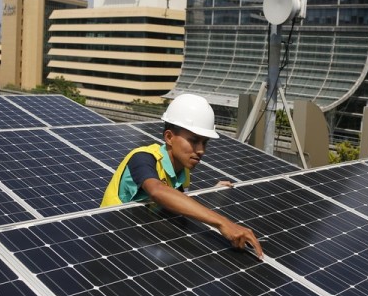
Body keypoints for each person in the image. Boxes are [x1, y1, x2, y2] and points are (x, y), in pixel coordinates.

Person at [101, 93, 264, 259]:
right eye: (194, 141)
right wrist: (223, 223)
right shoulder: (143, 158)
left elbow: (175, 199)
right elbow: (157, 191)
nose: (201, 150)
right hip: (113, 238)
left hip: (143, 234)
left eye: (205, 142)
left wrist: (211, 192)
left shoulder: (183, 171)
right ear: (169, 137)